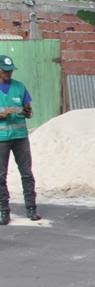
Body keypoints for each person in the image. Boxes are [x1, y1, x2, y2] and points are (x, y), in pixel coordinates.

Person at [0, 54, 41, 226]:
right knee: (0, 175)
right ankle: (3, 210)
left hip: (20, 137)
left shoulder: (20, 87)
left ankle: (31, 208)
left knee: (26, 173)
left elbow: (29, 112)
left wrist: (26, 111)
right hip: (1, 139)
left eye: (10, 71)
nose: (9, 74)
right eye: (5, 71)